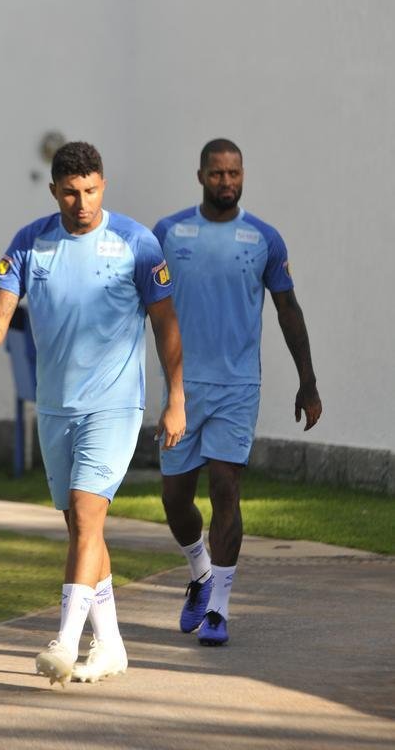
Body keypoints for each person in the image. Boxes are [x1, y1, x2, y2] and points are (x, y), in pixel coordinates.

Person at [0, 141, 185, 685]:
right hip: (56, 408)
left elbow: (167, 323)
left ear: (104, 185)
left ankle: (65, 640)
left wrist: (177, 397)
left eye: (92, 190)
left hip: (114, 404)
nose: (82, 202)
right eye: (71, 192)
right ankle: (112, 647)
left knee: (85, 515)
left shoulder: (136, 242)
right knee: (84, 530)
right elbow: (1, 308)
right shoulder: (31, 242)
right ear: (54, 190)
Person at [153, 138, 322, 647]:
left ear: (243, 175)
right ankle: (200, 572)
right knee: (175, 499)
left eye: (234, 173)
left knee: (225, 487)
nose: (227, 182)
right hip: (184, 389)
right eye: (217, 174)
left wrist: (308, 381)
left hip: (238, 386)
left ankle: (220, 611)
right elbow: (142, 301)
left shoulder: (263, 239)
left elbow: (288, 310)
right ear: (200, 175)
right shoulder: (169, 233)